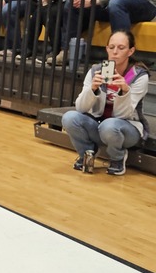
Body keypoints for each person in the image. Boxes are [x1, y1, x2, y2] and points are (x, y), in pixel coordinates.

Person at [61, 30, 149, 176]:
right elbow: (81, 107)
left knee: (109, 126)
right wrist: (93, 89)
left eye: (121, 48)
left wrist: (124, 91)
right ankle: (87, 154)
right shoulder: (96, 71)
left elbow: (122, 115)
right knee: (69, 117)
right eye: (111, 47)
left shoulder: (139, 76)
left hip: (127, 129)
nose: (115, 52)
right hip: (100, 125)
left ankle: (118, 158)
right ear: (107, 48)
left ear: (130, 51)